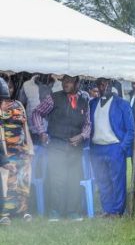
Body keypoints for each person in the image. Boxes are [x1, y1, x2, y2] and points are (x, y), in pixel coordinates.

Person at [30, 75, 90, 221]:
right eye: (63, 81)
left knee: (74, 179)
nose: (65, 84)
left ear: (77, 82)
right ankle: (55, 211)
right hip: (56, 145)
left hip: (75, 147)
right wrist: (42, 132)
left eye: (69, 81)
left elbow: (88, 124)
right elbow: (37, 113)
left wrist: (82, 136)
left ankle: (73, 212)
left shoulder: (84, 101)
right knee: (57, 179)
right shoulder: (53, 98)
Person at [89, 78, 135, 218]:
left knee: (117, 181)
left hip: (115, 147)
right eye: (101, 84)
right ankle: (107, 209)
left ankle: (118, 210)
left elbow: (131, 130)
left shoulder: (122, 104)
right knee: (102, 181)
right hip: (97, 148)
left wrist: (122, 147)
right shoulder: (93, 103)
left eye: (106, 84)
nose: (104, 87)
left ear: (112, 86)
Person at [1, 77, 34, 225]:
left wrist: (30, 148)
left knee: (23, 181)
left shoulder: (19, 104)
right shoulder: (1, 107)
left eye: (10, 86)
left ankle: (24, 211)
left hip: (22, 151)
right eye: (5, 86)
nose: (8, 89)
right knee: (7, 182)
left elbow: (25, 127)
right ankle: (5, 214)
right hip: (6, 152)